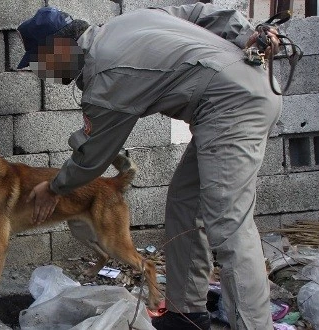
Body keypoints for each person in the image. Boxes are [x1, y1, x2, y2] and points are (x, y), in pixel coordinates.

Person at [19, 3, 282, 330]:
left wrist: (54, 187)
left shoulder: (104, 78)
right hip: (235, 95)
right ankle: (187, 313)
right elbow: (199, 11)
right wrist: (248, 34)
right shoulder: (125, 23)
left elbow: (92, 159)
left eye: (40, 63)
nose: (43, 74)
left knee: (229, 226)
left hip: (233, 106)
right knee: (185, 202)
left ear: (58, 48)